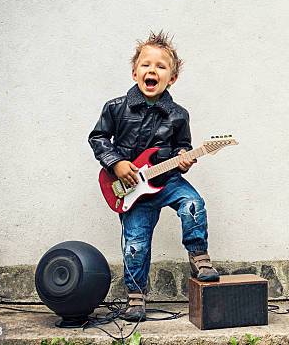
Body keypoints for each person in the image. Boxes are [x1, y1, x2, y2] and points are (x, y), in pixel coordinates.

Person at [88, 31, 219, 322]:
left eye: (161, 67)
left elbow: (183, 145)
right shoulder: (115, 107)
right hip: (132, 189)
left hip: (167, 180)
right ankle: (136, 297)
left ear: (171, 79)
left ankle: (199, 257)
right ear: (135, 72)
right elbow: (98, 138)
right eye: (146, 65)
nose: (152, 70)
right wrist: (116, 163)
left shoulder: (178, 114)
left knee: (193, 203)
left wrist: (185, 159)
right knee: (136, 243)